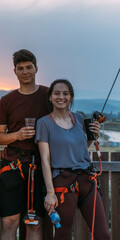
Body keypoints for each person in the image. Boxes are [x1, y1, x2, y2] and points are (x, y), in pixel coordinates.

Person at [35, 79, 110, 240]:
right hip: (63, 183)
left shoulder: (78, 118)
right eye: (56, 93)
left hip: (87, 181)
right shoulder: (44, 123)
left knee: (103, 235)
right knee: (63, 235)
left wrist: (93, 135)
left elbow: (81, 147)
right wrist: (50, 193)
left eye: (65, 93)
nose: (61, 97)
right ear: (50, 97)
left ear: (71, 97)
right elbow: (45, 159)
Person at [0, 49, 50, 240]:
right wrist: (17, 135)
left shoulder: (48, 95)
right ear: (15, 71)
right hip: (13, 164)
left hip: (41, 165)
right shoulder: (6, 100)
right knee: (8, 222)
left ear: (36, 68)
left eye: (29, 67)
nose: (25, 71)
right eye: (21, 68)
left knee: (34, 222)